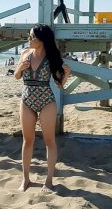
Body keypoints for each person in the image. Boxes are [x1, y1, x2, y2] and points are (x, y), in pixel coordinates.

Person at [14, 24, 71, 192]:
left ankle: (49, 181)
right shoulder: (25, 53)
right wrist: (20, 68)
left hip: (47, 101)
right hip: (27, 100)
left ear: (42, 40)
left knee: (49, 141)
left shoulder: (52, 56)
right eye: (29, 36)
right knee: (28, 140)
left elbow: (59, 85)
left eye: (32, 37)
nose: (29, 39)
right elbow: (17, 77)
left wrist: (66, 75)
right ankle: (25, 180)